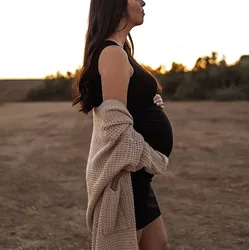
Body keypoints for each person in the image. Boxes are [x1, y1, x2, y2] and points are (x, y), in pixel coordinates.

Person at [72, 0, 173, 249]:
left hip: (136, 174)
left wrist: (150, 103)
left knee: (157, 245)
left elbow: (123, 108)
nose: (143, 1)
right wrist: (152, 157)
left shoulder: (118, 52)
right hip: (129, 174)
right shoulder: (112, 53)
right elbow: (115, 125)